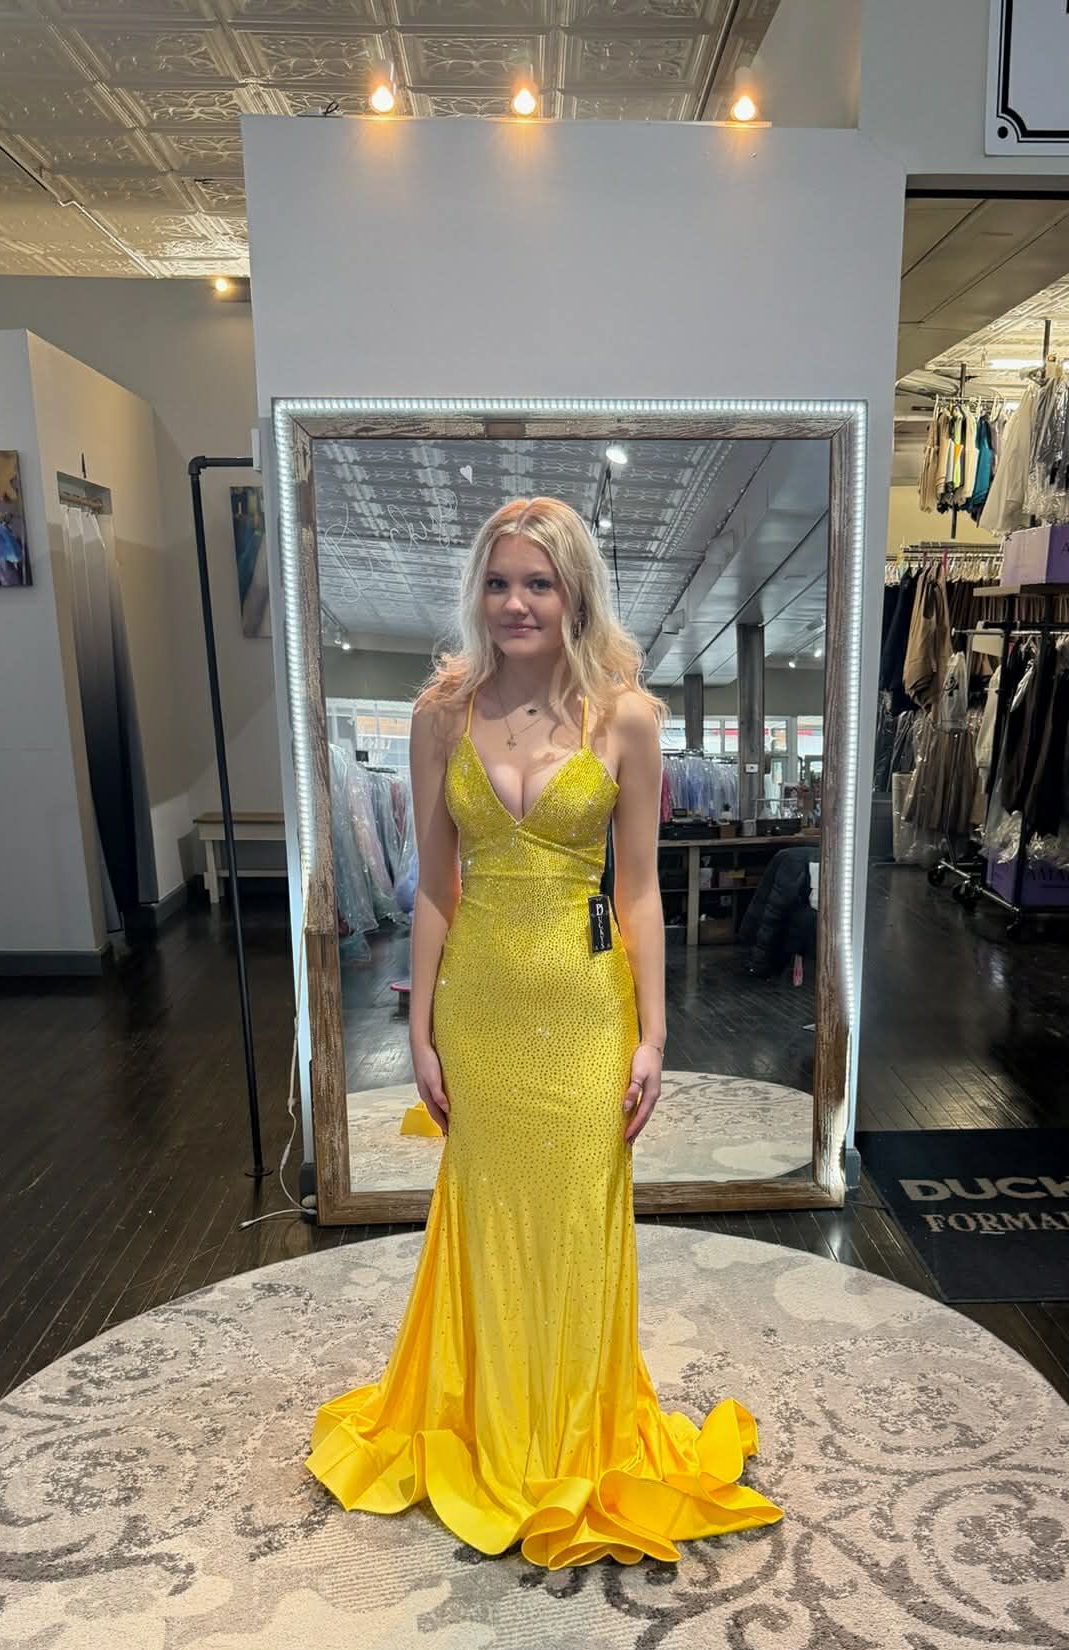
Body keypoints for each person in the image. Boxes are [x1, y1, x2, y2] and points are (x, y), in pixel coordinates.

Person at [306, 496, 783, 1568]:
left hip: (581, 1005)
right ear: (479, 594)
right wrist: (421, 1025)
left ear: (575, 593)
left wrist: (653, 1032)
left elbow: (643, 892)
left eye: (539, 582)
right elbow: (434, 888)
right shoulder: (442, 713)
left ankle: (568, 1433)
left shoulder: (628, 720)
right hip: (480, 1005)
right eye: (498, 581)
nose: (516, 602)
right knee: (488, 1212)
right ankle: (489, 1425)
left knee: (573, 1219)